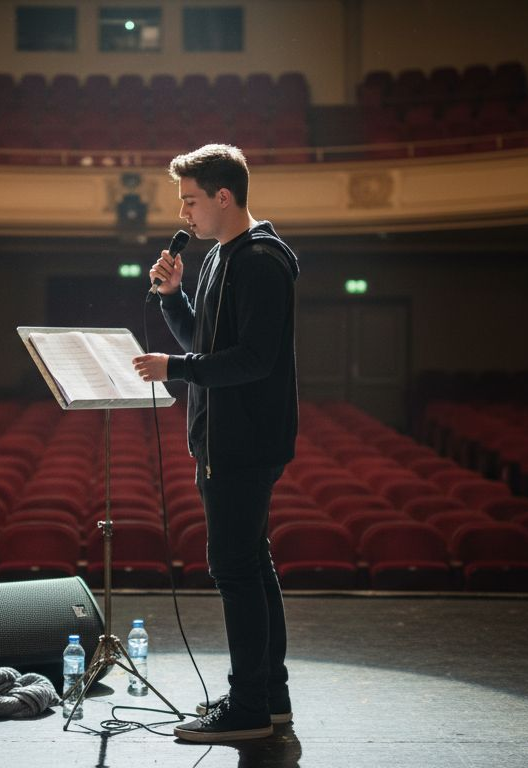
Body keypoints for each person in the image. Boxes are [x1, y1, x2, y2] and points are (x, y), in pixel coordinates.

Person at [132, 144, 300, 742]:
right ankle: (270, 699)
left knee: (234, 569)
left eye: (190, 201)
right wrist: (174, 298)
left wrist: (173, 368)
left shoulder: (259, 261)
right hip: (225, 439)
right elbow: (205, 344)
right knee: (252, 565)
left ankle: (249, 707)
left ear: (223, 197)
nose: (185, 215)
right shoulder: (221, 258)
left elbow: (251, 361)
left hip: (244, 441)